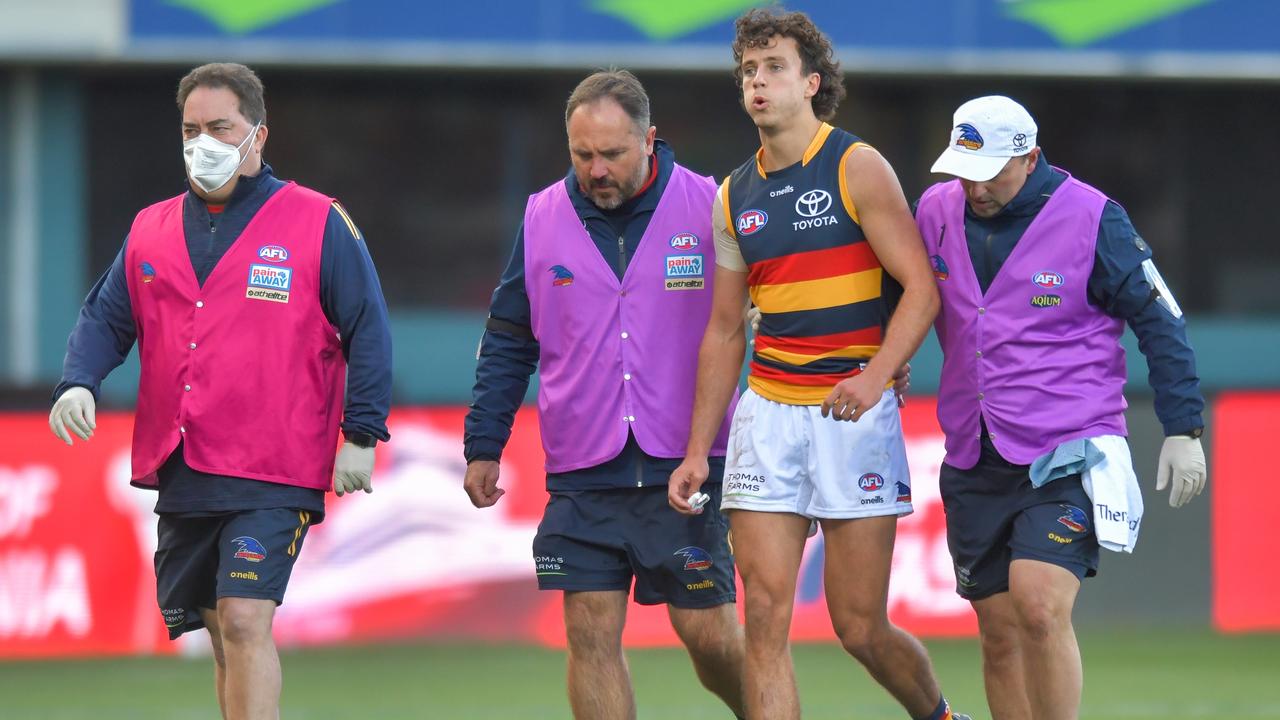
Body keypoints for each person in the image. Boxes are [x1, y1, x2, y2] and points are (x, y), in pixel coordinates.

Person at [48, 62, 392, 720]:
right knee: (219, 634)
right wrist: (78, 382)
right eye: (190, 129)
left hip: (275, 466)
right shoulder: (149, 228)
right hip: (185, 463)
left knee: (242, 619)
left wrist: (362, 432)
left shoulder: (317, 222)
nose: (202, 141)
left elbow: (367, 328)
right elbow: (104, 318)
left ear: (258, 135)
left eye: (219, 127)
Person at [670, 9, 968, 720]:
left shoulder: (856, 166)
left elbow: (923, 291)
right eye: (748, 70)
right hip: (767, 416)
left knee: (859, 627)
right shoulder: (731, 195)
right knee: (765, 619)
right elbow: (722, 332)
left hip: (851, 415)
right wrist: (695, 452)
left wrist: (873, 376)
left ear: (811, 83)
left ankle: (940, 716)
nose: (758, 82)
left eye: (773, 68)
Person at [462, 70, 747, 719]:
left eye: (612, 154)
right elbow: (508, 336)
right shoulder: (540, 217)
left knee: (707, 634)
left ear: (650, 139)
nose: (596, 170)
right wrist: (484, 443)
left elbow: (761, 315)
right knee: (590, 632)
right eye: (582, 154)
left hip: (689, 462)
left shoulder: (710, 204)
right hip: (583, 470)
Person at [915, 95, 1208, 720]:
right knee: (997, 633)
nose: (975, 186)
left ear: (1030, 157)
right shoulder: (936, 211)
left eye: (991, 170)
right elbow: (897, 291)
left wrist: (1183, 428)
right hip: (973, 450)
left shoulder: (1095, 218)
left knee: (1040, 606)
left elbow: (1160, 319)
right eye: (965, 170)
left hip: (1068, 446)